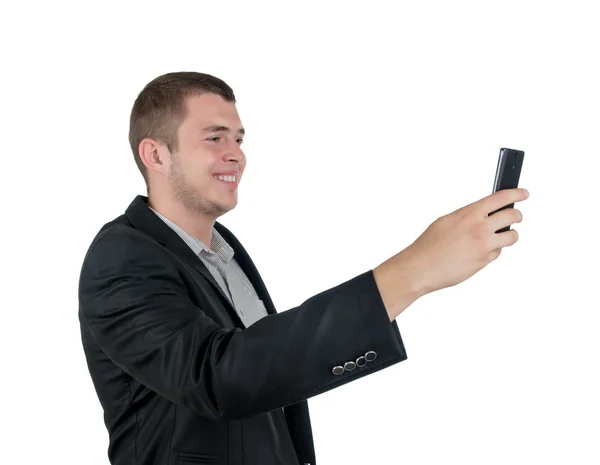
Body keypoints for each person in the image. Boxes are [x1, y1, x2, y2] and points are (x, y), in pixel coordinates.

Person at [78, 71, 529, 465]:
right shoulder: (121, 258)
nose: (236, 153)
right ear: (155, 155)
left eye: (238, 138)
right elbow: (219, 378)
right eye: (214, 137)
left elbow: (269, 374)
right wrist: (412, 272)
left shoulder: (225, 251)